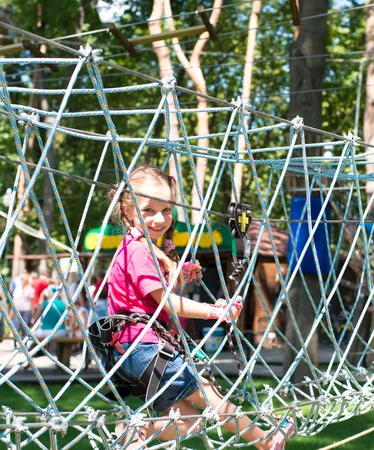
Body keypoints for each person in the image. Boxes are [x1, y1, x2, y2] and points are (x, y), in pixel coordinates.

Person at [104, 165, 293, 449]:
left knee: (191, 420)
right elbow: (166, 303)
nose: (160, 219)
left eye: (167, 210)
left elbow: (148, 296)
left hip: (134, 351)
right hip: (144, 349)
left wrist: (178, 274)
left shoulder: (139, 247)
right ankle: (266, 442)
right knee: (212, 397)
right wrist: (214, 311)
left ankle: (137, 430)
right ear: (128, 211)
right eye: (149, 210)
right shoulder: (140, 250)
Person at [11, 272, 34, 348]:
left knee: (25, 328)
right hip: (18, 310)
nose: (22, 280)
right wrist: (11, 311)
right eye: (21, 279)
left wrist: (32, 314)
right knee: (16, 328)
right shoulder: (18, 288)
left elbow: (32, 303)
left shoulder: (30, 289)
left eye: (23, 278)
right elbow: (14, 300)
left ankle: (24, 345)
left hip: (27, 310)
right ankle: (15, 344)